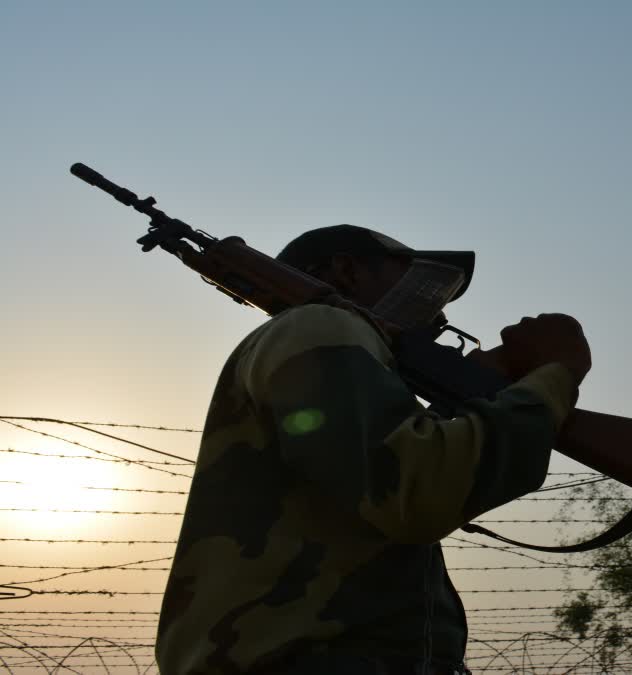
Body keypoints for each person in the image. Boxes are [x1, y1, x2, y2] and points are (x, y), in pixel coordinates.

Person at [155, 225, 590, 674]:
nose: (437, 311)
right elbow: (416, 489)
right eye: (418, 282)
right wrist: (554, 376)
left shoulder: (320, 341)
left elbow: (381, 481)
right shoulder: (319, 324)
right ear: (346, 270)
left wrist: (476, 403)